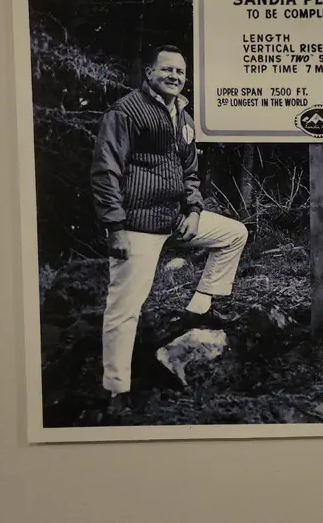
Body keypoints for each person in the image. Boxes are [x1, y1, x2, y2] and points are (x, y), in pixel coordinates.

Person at [90, 44, 249, 411]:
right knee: (124, 307)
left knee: (233, 234)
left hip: (174, 218)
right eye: (167, 70)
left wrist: (193, 209)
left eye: (180, 71)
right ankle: (115, 389)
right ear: (149, 73)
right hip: (137, 224)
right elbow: (105, 171)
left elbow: (190, 171)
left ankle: (198, 307)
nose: (175, 76)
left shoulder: (184, 116)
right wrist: (114, 226)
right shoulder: (126, 112)